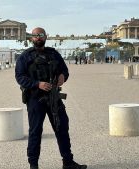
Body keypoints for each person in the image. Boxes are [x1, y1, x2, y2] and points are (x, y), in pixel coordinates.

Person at [15, 27, 87, 169]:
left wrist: (62, 77)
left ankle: (68, 162)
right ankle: (33, 164)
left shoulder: (53, 54)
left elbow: (64, 70)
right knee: (35, 131)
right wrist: (37, 84)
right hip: (35, 98)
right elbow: (19, 77)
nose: (38, 38)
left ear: (45, 37)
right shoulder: (25, 56)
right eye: (35, 35)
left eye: (41, 35)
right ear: (31, 38)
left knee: (62, 128)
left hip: (54, 96)